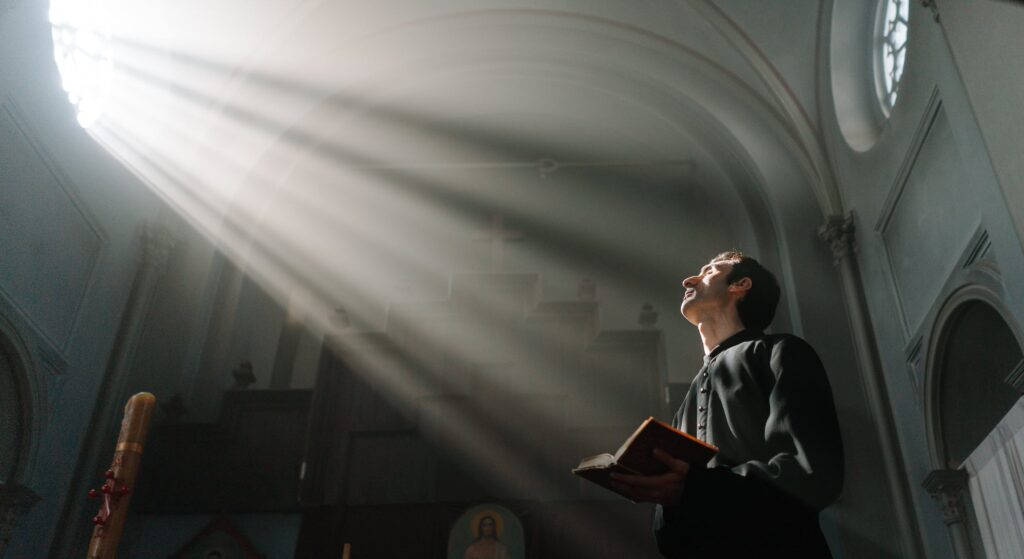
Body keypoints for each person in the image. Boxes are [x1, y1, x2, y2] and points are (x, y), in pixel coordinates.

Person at [610, 250, 844, 558]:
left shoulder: (782, 353)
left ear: (741, 285)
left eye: (709, 271)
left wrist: (691, 490)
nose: (689, 279)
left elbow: (812, 474)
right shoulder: (688, 401)